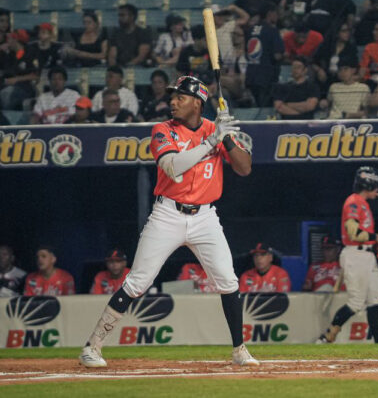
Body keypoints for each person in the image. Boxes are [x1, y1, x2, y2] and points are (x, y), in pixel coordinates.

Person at [79, 75, 259, 368]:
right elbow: (173, 165)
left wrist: (224, 136)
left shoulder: (216, 129)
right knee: (138, 281)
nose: (172, 101)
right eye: (173, 96)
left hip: (205, 216)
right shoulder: (162, 129)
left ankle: (239, 349)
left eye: (181, 97)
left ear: (198, 104)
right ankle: (93, 346)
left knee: (228, 280)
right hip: (168, 214)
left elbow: (244, 168)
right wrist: (211, 140)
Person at [317, 167, 378, 344]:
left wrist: (374, 241)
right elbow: (352, 233)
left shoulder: (362, 203)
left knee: (374, 299)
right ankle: (327, 335)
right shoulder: (353, 201)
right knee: (356, 302)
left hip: (367, 256)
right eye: (375, 186)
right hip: (355, 254)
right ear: (368, 185)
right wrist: (377, 237)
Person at [245, 2, 284, 107]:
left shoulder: (250, 30)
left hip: (250, 75)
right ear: (270, 13)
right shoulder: (272, 30)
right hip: (266, 76)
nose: (278, 16)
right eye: (276, 13)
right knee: (265, 108)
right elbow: (277, 55)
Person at [314, 22, 358, 90]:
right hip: (326, 78)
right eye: (344, 31)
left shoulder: (351, 48)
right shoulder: (326, 46)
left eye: (348, 31)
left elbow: (355, 66)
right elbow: (314, 61)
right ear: (337, 33)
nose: (347, 33)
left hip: (342, 79)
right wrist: (319, 70)